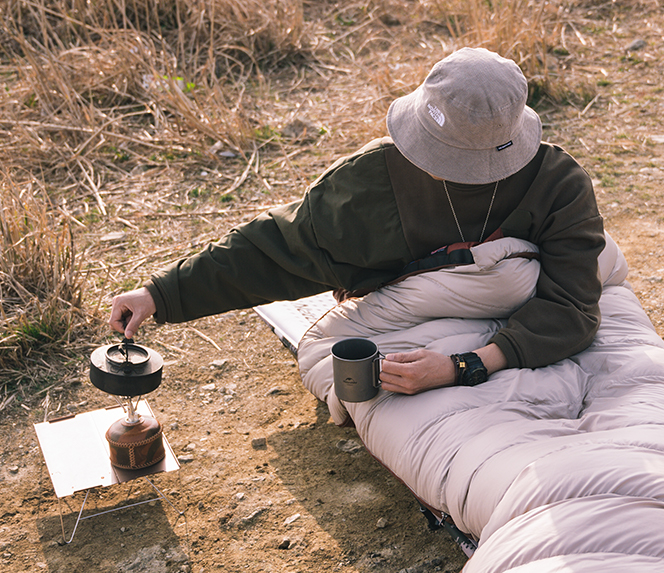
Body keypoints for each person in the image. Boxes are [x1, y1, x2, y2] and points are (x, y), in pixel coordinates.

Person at [110, 47, 605, 394]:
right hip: (413, 313)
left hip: (500, 329)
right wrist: (161, 293)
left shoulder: (560, 184)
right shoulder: (370, 183)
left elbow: (574, 307)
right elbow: (276, 248)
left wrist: (462, 366)